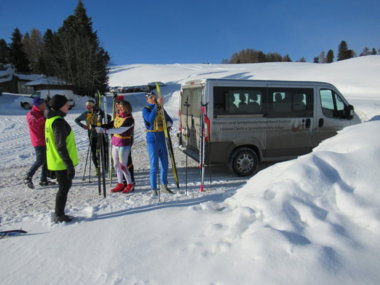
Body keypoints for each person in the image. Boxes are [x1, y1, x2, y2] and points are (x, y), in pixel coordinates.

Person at [45, 95, 78, 223]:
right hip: (61, 162)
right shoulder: (58, 121)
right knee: (64, 188)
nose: (68, 106)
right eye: (66, 104)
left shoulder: (50, 119)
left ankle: (59, 213)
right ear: (59, 106)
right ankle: (59, 215)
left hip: (56, 161)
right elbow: (60, 146)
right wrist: (69, 165)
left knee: (64, 187)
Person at [97, 98, 135, 193]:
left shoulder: (129, 119)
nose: (120, 109)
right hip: (115, 144)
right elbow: (110, 125)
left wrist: (105, 131)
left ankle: (130, 184)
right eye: (120, 107)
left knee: (123, 166)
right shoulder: (119, 117)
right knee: (115, 165)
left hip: (124, 144)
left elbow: (120, 130)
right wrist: (99, 126)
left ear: (127, 108)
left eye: (122, 107)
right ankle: (120, 183)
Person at [143, 91, 174, 196]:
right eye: (151, 97)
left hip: (161, 137)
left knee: (165, 163)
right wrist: (157, 106)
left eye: (154, 96)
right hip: (152, 138)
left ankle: (164, 185)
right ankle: (153, 188)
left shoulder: (160, 108)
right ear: (147, 99)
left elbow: (169, 120)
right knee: (154, 165)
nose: (153, 98)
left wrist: (168, 124)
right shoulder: (146, 109)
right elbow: (150, 120)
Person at [24, 97, 56, 189]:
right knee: (40, 160)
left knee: (47, 161)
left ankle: (43, 179)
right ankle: (28, 176)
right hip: (38, 140)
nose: (45, 105)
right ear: (38, 105)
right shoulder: (32, 114)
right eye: (43, 104)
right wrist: (45, 118)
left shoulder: (43, 112)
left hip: (46, 139)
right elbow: (35, 124)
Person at [74, 99, 105, 173]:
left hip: (100, 135)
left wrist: (104, 125)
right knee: (93, 152)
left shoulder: (99, 112)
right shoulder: (85, 114)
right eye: (87, 106)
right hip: (91, 135)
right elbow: (76, 120)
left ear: (93, 106)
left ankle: (105, 166)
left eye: (89, 106)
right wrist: (83, 126)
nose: (88, 107)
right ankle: (97, 168)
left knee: (102, 151)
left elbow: (108, 117)